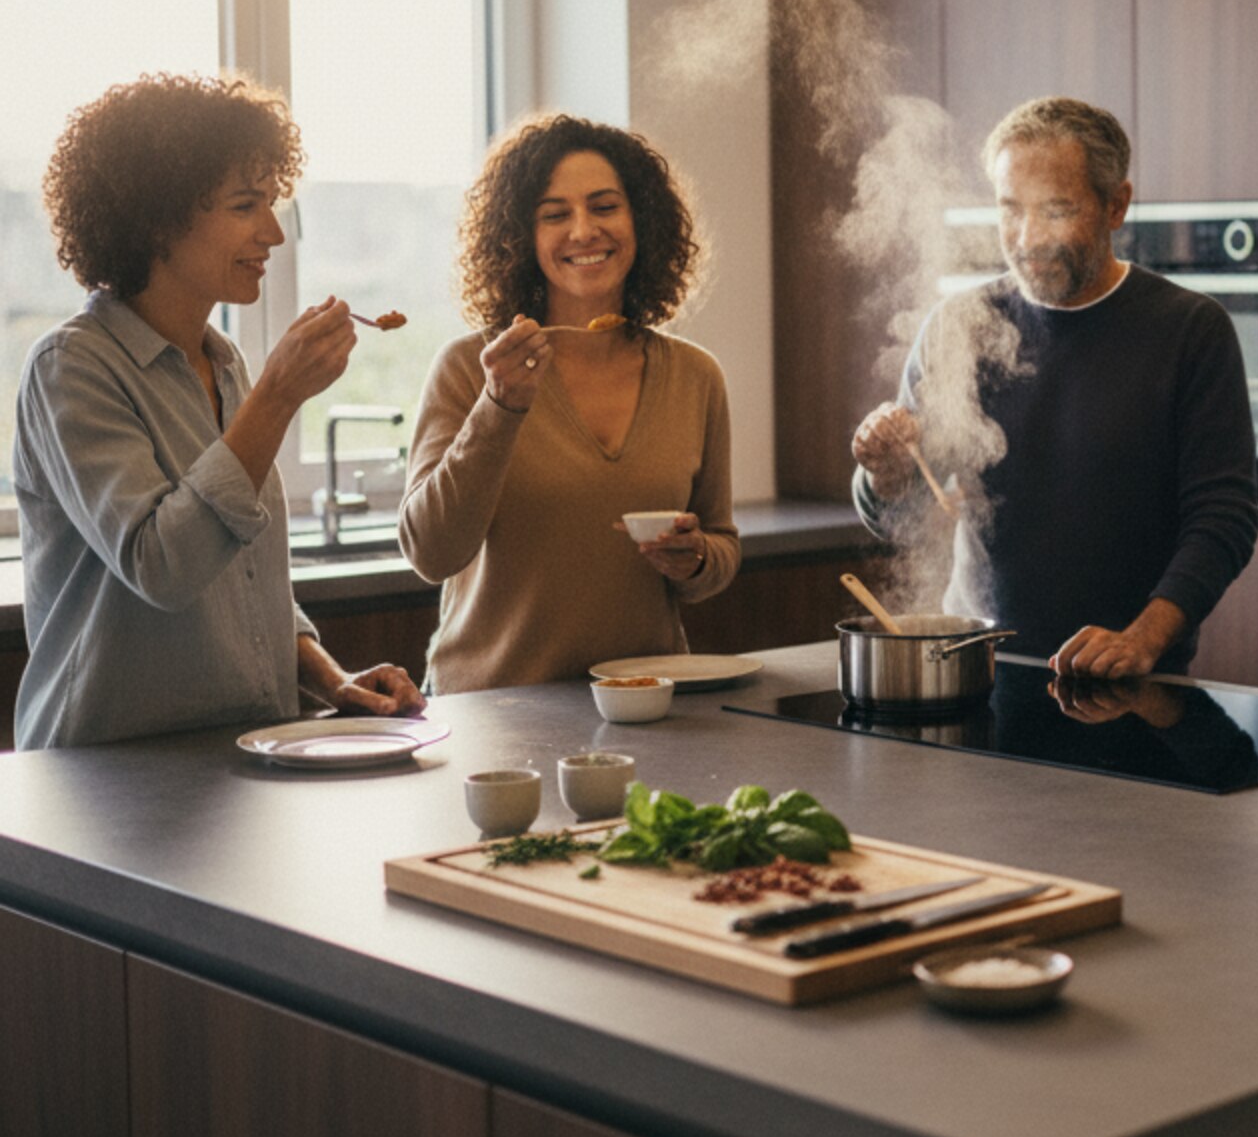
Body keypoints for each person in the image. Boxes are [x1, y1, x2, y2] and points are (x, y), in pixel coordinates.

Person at [12, 75, 424, 748]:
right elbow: (162, 567)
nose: (273, 233)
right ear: (157, 219)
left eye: (271, 203)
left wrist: (332, 679)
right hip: (109, 775)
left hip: (241, 759)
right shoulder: (72, 367)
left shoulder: (225, 362)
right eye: (245, 205)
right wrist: (278, 397)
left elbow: (244, 580)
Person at [851, 97, 1258, 678]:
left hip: (1129, 678)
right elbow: (903, 514)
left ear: (1116, 205)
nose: (1028, 237)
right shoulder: (959, 327)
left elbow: (1224, 520)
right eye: (1010, 210)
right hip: (977, 669)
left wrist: (1142, 640)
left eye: (1056, 210)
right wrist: (883, 473)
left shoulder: (1190, 330)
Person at [400, 115, 738, 691]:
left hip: (644, 704)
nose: (584, 230)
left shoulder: (695, 376)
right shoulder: (469, 368)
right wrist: (499, 406)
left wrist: (696, 559)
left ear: (641, 220)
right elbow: (430, 552)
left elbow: (721, 545)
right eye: (554, 215)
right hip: (494, 710)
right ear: (520, 237)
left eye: (605, 207)